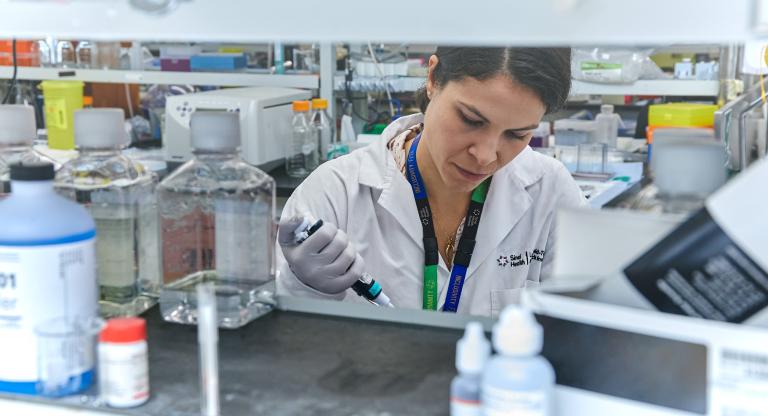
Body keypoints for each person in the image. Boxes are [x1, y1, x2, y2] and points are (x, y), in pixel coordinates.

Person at [276, 47, 585, 317]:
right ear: (434, 78)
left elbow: (587, 329)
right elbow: (289, 350)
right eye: (471, 120)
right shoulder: (334, 193)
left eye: (517, 134)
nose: (485, 156)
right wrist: (304, 286)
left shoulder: (551, 191)